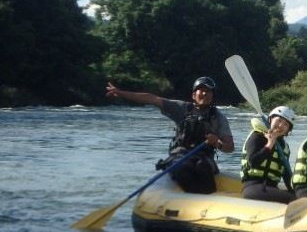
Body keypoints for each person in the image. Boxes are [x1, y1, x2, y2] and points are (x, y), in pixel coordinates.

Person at [105, 77, 234, 194]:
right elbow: (151, 99)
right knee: (183, 167)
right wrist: (121, 93)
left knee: (202, 167)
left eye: (209, 91)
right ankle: (191, 200)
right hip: (181, 154)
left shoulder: (218, 118)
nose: (205, 94)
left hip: (204, 157)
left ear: (212, 96)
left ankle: (207, 201)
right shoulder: (181, 108)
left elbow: (229, 147)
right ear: (194, 95)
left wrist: (217, 142)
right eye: (201, 90)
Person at [240, 106, 295, 203]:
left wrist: (297, 190)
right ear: (270, 119)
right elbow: (253, 162)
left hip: (270, 188)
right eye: (279, 120)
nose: (281, 125)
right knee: (294, 199)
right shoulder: (257, 136)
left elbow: (286, 176)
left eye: (286, 124)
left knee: (301, 198)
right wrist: (269, 145)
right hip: (253, 187)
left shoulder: (284, 147)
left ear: (288, 131)